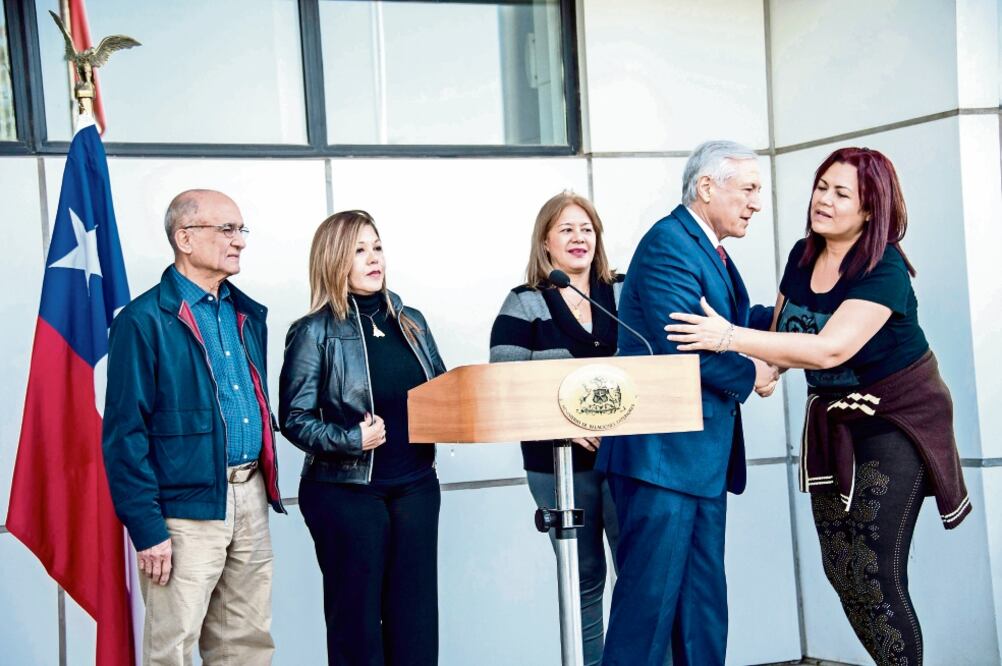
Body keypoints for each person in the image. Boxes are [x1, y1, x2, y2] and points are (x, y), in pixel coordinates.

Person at [666, 146, 970, 665]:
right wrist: (768, 369)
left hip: (897, 418)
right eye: (821, 187)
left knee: (875, 569)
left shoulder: (884, 268)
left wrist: (728, 339)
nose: (823, 200)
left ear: (870, 208)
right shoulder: (803, 256)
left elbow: (830, 347)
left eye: (841, 193)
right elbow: (787, 333)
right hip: (833, 420)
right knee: (841, 568)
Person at [595, 140, 779, 666]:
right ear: (706, 187)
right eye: (747, 189)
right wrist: (755, 371)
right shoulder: (669, 246)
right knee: (646, 618)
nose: (755, 203)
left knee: (701, 611)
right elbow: (684, 345)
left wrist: (797, 316)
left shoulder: (708, 250)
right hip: (662, 461)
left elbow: (732, 325)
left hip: (697, 462)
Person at [103, 189, 285, 666]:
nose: (239, 241)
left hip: (250, 494)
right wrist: (146, 528)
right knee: (174, 648)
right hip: (182, 513)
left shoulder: (246, 313)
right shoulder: (142, 322)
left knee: (246, 641)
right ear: (184, 238)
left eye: (241, 229)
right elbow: (125, 436)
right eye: (227, 229)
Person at [279, 210, 446, 666]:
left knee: (415, 625)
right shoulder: (315, 331)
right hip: (347, 493)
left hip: (414, 487)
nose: (373, 258)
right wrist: (352, 439)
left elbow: (442, 390)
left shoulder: (411, 321)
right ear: (335, 259)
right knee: (358, 630)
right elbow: (293, 418)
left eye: (376, 247)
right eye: (359, 250)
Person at [489, 191, 622, 665]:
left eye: (586, 228)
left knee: (640, 574)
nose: (578, 237)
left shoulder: (624, 292)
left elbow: (652, 363)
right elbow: (505, 381)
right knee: (583, 577)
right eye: (566, 229)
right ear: (545, 242)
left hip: (627, 459)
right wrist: (568, 421)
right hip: (557, 465)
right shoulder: (524, 303)